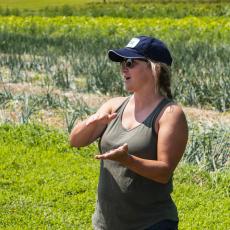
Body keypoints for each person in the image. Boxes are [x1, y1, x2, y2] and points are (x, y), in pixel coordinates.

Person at [70, 35, 188, 230]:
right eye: (122, 62)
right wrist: (93, 121)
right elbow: (75, 141)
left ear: (154, 69)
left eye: (130, 62)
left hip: (151, 224)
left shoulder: (170, 115)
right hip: (106, 223)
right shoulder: (113, 105)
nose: (123, 68)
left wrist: (127, 160)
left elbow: (164, 172)